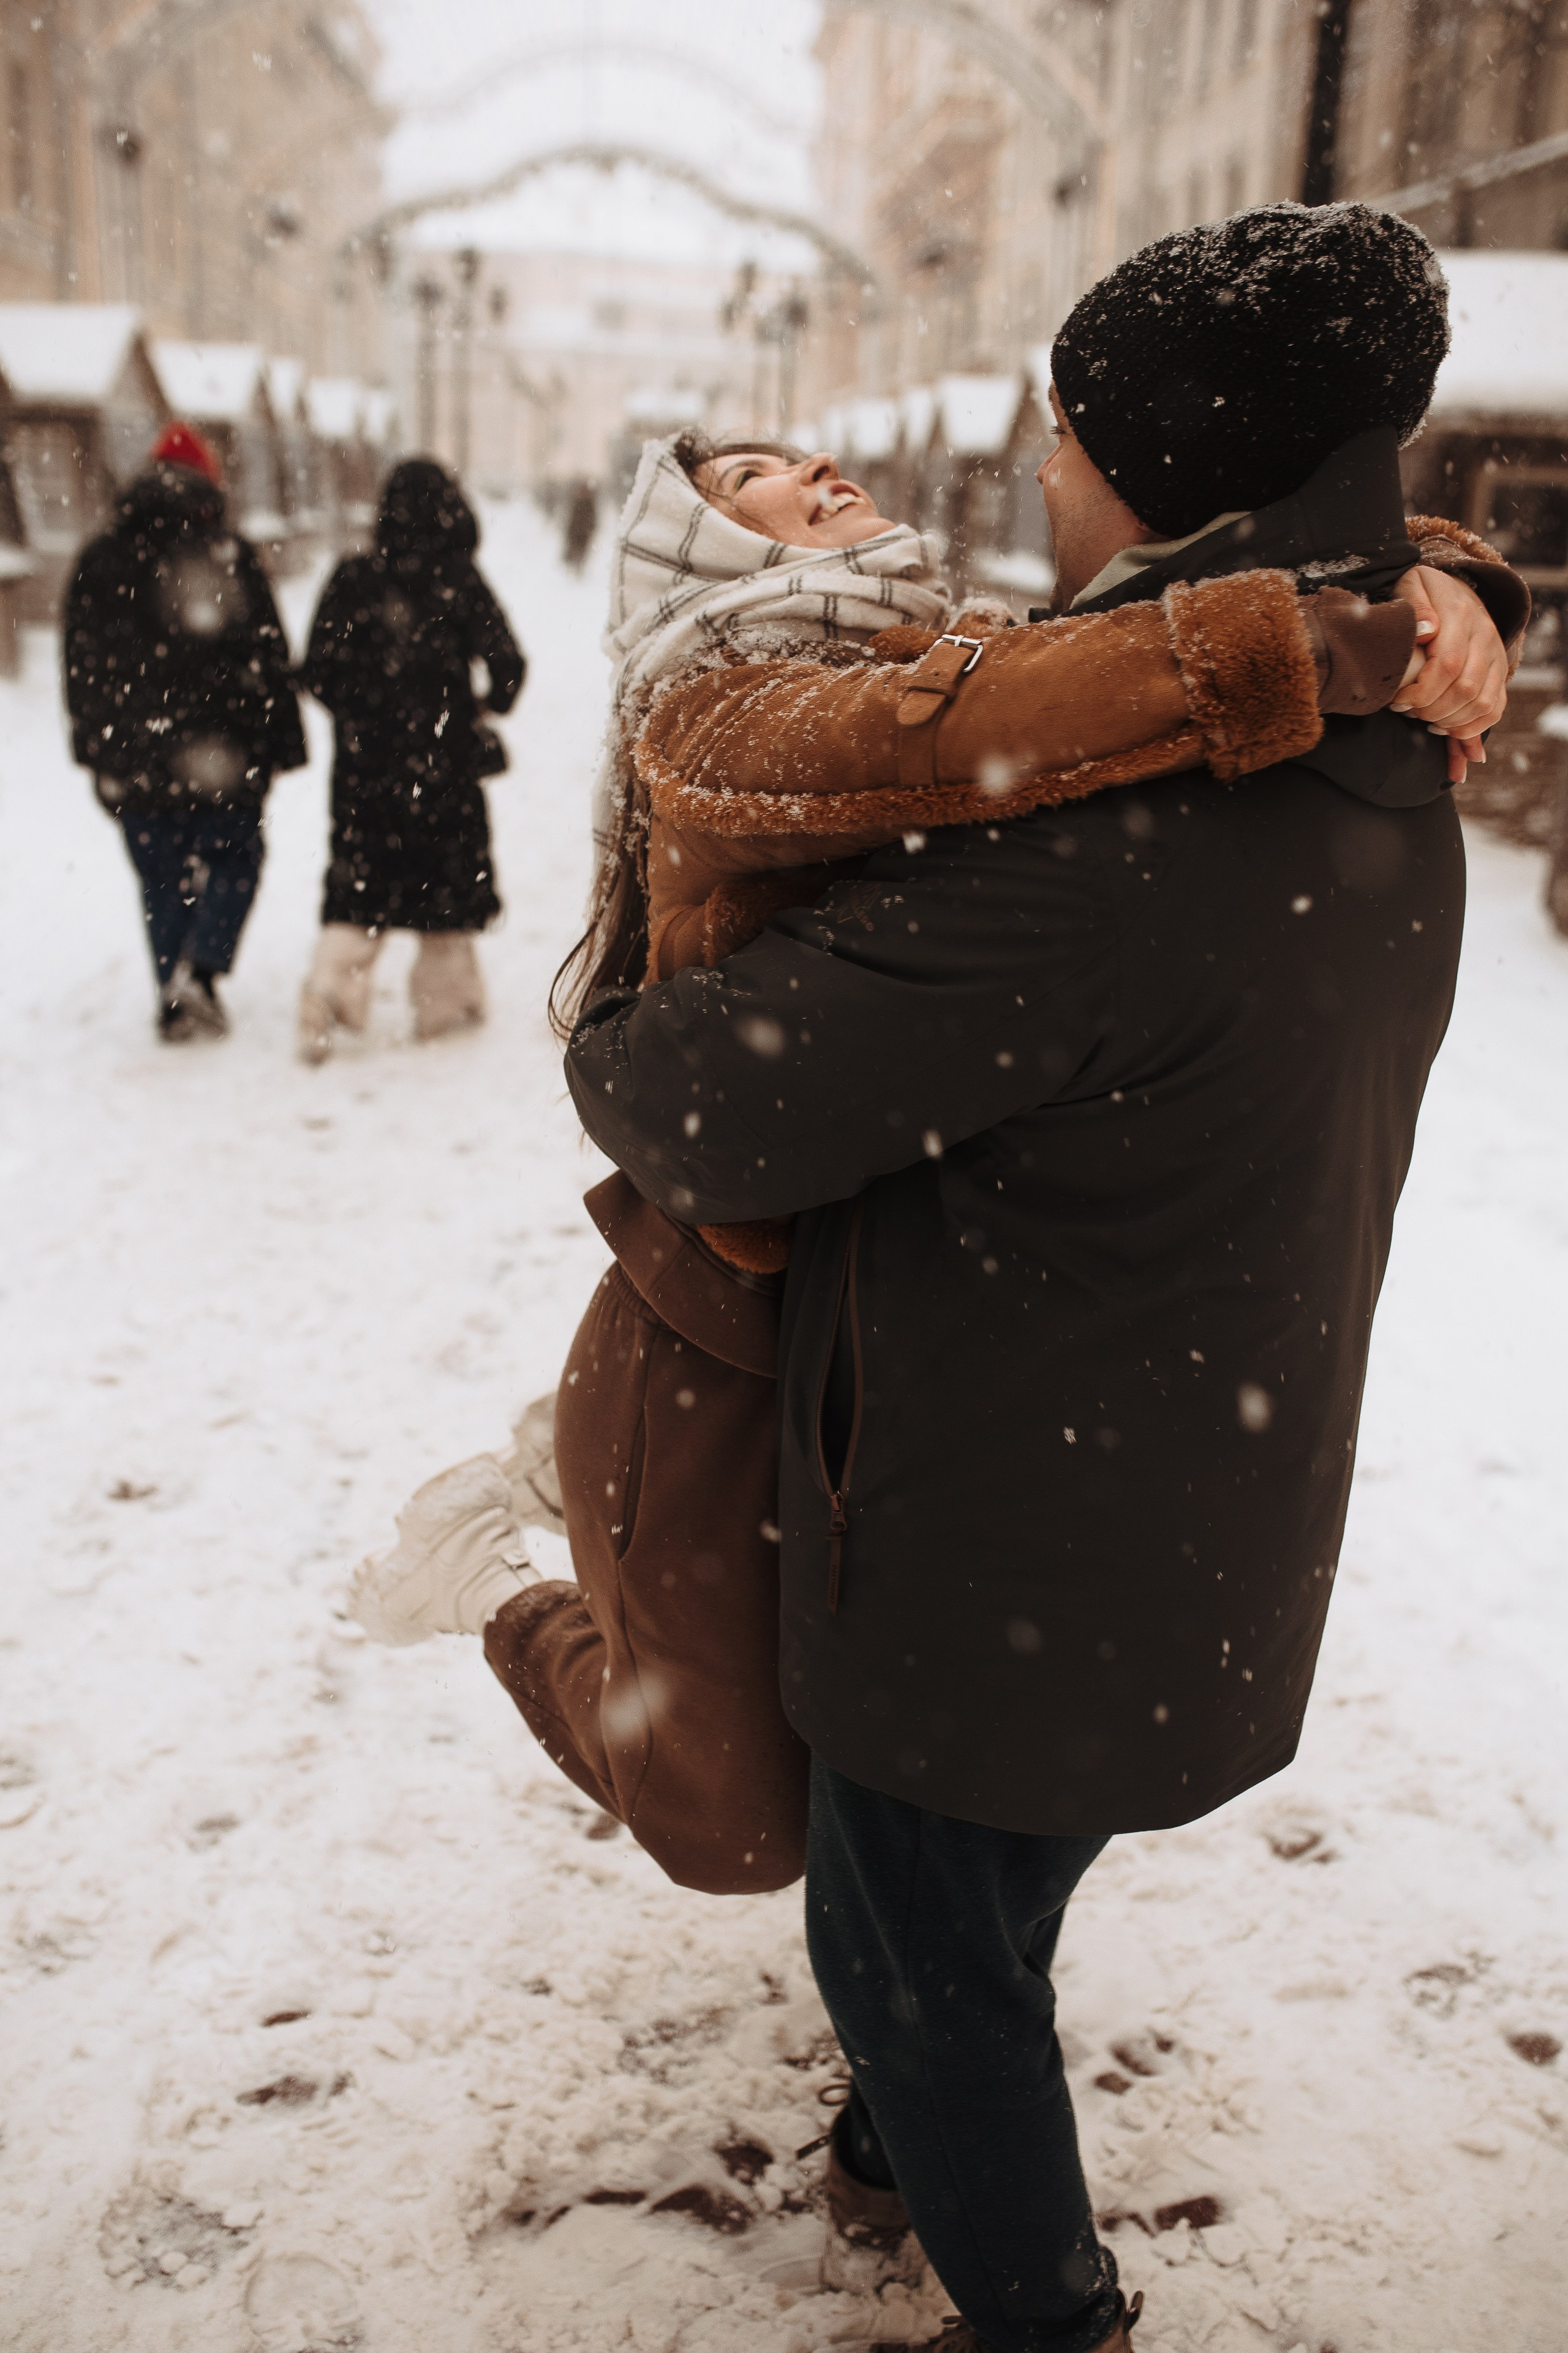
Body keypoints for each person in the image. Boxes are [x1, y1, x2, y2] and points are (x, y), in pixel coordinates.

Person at [546, 204, 1526, 2352]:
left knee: (911, 1945)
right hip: (1195, 1485)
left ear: (1156, 470)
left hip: (999, 1534)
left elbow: (690, 1103)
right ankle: (913, 2132)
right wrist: (1444, 578)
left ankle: (1042, 2303)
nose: (1036, 471)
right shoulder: (1364, 729)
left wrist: (624, 988)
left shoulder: (1099, 843)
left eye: (1061, 431)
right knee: (999, 1888)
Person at [350, 323, 1513, 1917]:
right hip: (716, 1334)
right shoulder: (717, 708)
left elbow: (1078, 653)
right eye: (752, 484)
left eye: (802, 451)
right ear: (699, 555)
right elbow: (966, 727)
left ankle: (893, 2027)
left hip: (873, 1326)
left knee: (851, 1769)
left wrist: (1445, 577)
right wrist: (1335, 636)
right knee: (728, 1823)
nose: (811, 469)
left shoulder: (973, 644)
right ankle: (493, 1563)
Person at [64, 421, 307, 1041]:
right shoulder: (227, 553)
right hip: (223, 753)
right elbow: (267, 656)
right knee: (235, 860)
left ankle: (173, 984)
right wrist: (281, 743)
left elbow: (82, 664)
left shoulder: (101, 558)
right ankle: (201, 975)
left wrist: (98, 748)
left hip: (137, 754)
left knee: (160, 876)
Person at [296, 459, 526, 1063]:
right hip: (443, 763)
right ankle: (443, 1010)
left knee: (357, 887)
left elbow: (315, 669)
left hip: (364, 769)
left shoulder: (353, 577)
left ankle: (326, 990)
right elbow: (509, 664)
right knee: (444, 892)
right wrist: (477, 706)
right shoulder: (460, 580)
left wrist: (365, 715)